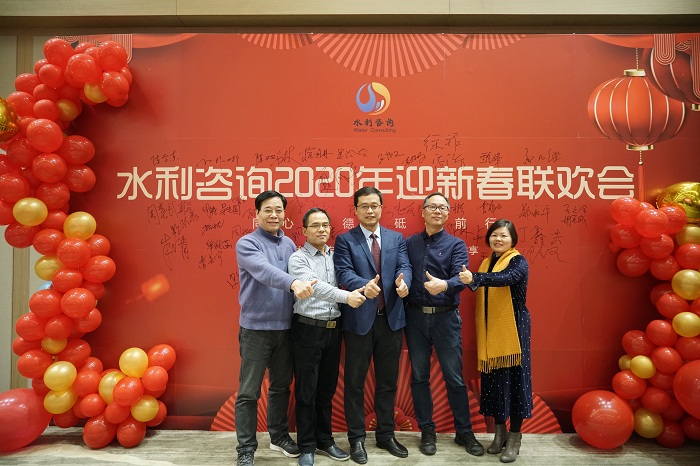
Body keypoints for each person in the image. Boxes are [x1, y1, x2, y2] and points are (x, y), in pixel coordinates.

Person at [234, 190, 317, 466]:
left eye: (279, 210)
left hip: (286, 328)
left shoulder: (289, 244)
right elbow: (263, 271)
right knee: (249, 392)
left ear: (284, 214)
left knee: (281, 386)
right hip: (256, 330)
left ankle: (278, 436)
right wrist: (293, 283)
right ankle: (246, 448)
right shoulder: (247, 243)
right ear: (257, 213)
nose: (274, 215)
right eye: (268, 210)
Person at [333, 186, 412, 464]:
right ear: (355, 210)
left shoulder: (396, 238)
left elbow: (405, 266)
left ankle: (386, 435)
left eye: (374, 205)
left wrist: (404, 283)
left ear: (381, 208)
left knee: (387, 382)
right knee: (354, 383)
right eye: (364, 206)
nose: (370, 210)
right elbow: (343, 272)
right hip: (358, 321)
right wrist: (363, 286)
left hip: (391, 320)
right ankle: (356, 438)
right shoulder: (345, 239)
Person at [405, 192, 484, 457]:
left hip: (445, 318)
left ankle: (464, 431)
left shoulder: (456, 244)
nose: (437, 211)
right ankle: (427, 430)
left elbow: (462, 278)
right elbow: (402, 269)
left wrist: (445, 285)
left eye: (442, 208)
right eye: (432, 207)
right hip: (415, 318)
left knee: (454, 377)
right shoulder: (410, 243)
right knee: (419, 377)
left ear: (448, 214)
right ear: (423, 212)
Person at [288, 207, 367, 466]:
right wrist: (347, 297)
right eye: (315, 225)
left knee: (326, 390)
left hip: (334, 330)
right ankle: (306, 445)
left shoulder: (336, 256)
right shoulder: (298, 258)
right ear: (304, 230)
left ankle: (325, 440)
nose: (321, 229)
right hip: (307, 329)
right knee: (306, 391)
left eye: (325, 225)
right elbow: (316, 287)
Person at [458, 219, 533, 464]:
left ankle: (515, 438)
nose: (498, 240)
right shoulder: (486, 262)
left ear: (513, 240)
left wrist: (475, 277)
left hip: (514, 328)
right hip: (491, 330)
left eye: (503, 236)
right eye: (494, 235)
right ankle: (499, 434)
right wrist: (473, 278)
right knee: (494, 382)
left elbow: (505, 278)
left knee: (515, 381)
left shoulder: (518, 261)